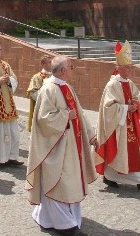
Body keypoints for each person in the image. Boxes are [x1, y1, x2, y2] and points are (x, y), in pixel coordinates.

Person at [26, 56, 98, 235]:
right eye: (71, 67)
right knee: (59, 182)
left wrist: (90, 135)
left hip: (72, 145)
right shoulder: (48, 89)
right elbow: (44, 120)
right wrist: (66, 115)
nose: (73, 70)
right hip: (56, 147)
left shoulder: (67, 88)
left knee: (70, 182)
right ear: (63, 70)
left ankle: (64, 218)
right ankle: (65, 225)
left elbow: (79, 113)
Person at [95, 40, 140, 190]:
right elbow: (108, 107)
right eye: (127, 68)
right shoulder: (113, 84)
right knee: (119, 152)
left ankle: (139, 179)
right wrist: (125, 108)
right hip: (118, 126)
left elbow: (137, 96)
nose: (130, 70)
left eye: (130, 68)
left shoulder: (128, 82)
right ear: (119, 68)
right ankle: (112, 176)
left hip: (129, 123)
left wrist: (134, 105)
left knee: (132, 151)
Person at [25, 55, 53, 132]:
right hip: (41, 108)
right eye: (49, 62)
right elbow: (32, 93)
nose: (51, 64)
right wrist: (46, 98)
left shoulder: (55, 76)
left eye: (52, 62)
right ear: (43, 64)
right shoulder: (37, 77)